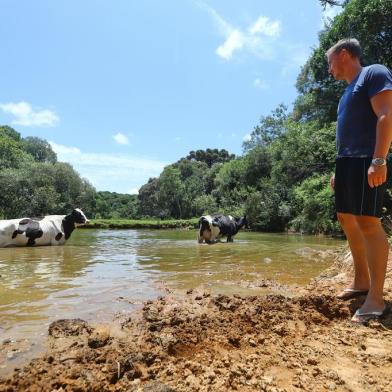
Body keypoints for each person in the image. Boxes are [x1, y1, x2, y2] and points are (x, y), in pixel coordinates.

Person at [327, 38, 392, 323]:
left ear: (343, 55)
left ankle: (376, 299)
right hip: (347, 163)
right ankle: (361, 281)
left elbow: (386, 116)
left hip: (368, 159)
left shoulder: (374, 73)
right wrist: (338, 171)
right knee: (345, 217)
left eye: (329, 62)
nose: (329, 69)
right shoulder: (344, 95)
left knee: (368, 221)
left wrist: (379, 159)